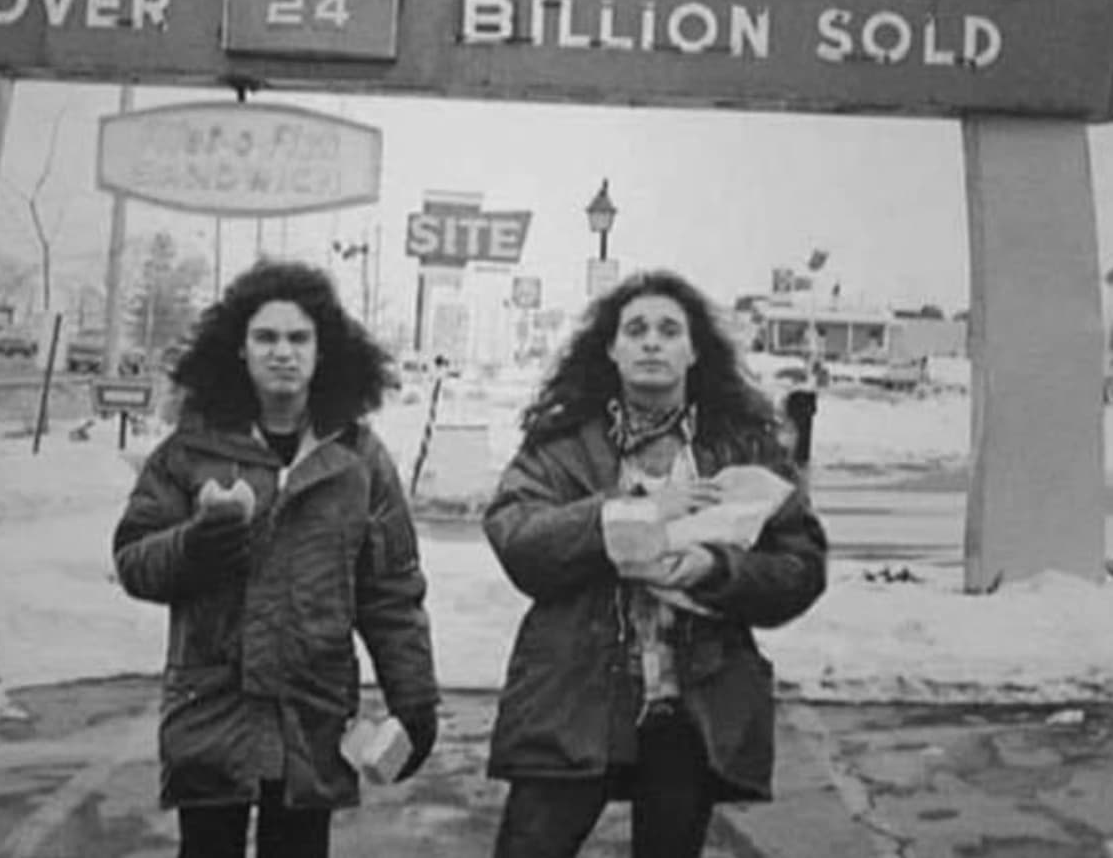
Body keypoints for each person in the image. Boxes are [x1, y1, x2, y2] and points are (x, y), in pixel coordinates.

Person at [483, 268, 828, 858]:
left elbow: (801, 566)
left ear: (694, 352)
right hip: (573, 693)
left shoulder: (740, 448)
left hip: (690, 707)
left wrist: (716, 569)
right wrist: (632, 511)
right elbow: (520, 543)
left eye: (670, 331)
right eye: (636, 329)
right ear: (611, 348)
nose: (651, 342)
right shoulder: (562, 443)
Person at [112, 259, 440, 858]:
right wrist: (198, 542)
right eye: (266, 337)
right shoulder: (191, 449)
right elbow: (134, 559)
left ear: (324, 351)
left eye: (298, 338)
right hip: (212, 707)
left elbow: (390, 593)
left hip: (311, 714)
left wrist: (414, 700)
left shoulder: (359, 460)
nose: (282, 352)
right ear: (239, 349)